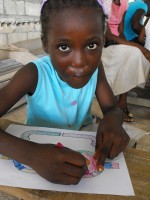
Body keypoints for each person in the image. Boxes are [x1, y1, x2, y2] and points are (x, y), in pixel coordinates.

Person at [0, 0, 129, 185]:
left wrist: (114, 120)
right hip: (38, 157)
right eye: (64, 47)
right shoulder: (34, 74)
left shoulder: (96, 69)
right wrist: (30, 155)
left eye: (91, 45)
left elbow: (111, 108)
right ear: (45, 44)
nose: (79, 62)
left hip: (79, 146)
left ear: (103, 41)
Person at [101, 0, 150, 122]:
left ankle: (122, 102)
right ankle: (111, 103)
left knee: (133, 54)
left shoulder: (124, 3)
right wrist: (138, 46)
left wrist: (130, 46)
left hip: (116, 41)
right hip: (103, 42)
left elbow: (121, 31)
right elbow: (108, 35)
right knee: (136, 51)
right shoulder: (104, 3)